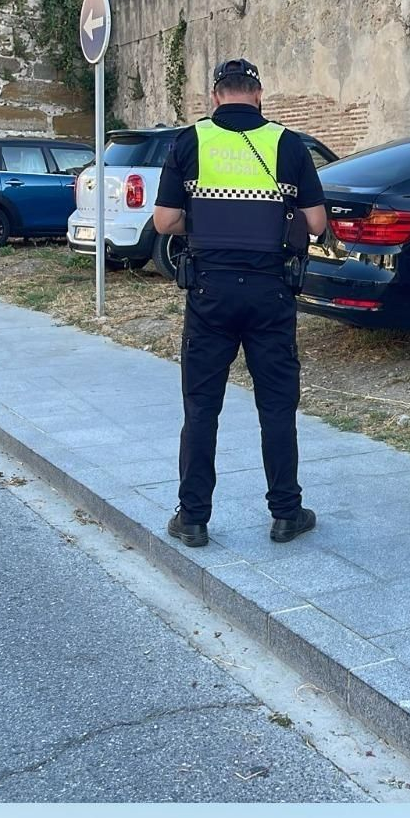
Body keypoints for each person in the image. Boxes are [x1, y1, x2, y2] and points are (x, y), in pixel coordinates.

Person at [152, 57, 328, 548]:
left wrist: (205, 226)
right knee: (276, 406)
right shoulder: (287, 144)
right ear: (259, 94)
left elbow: (165, 221)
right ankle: (286, 514)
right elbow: (315, 224)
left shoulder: (190, 141)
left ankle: (192, 518)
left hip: (209, 292)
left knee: (201, 407)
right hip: (271, 293)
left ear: (215, 96)